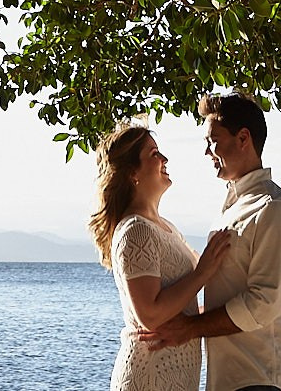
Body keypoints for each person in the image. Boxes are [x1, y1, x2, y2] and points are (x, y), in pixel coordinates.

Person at [141, 93, 281, 391]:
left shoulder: (274, 209)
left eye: (213, 140)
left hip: (262, 380)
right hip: (230, 381)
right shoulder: (234, 209)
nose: (207, 152)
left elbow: (263, 304)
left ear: (243, 138)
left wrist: (190, 329)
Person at [89, 122, 235, 391]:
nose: (164, 159)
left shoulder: (164, 226)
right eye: (154, 154)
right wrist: (203, 272)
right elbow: (151, 314)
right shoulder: (136, 230)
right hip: (149, 377)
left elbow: (180, 308)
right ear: (133, 172)